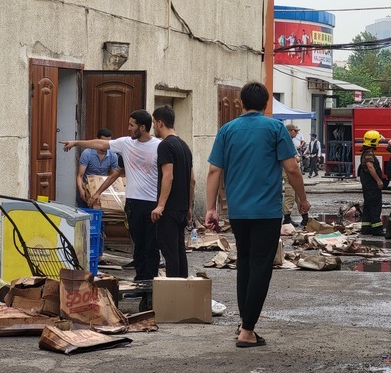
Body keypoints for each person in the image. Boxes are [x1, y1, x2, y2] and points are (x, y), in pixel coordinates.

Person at [205, 82, 310, 348]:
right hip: (266, 212)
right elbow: (292, 168)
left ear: (241, 103)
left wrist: (211, 209)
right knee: (261, 267)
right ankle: (247, 330)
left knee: (246, 264)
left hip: (239, 212)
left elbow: (214, 172)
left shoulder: (227, 130)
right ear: (266, 105)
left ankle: (245, 323)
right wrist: (302, 199)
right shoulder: (275, 128)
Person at [62, 110, 161, 282]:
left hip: (153, 202)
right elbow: (100, 144)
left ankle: (152, 282)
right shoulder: (126, 144)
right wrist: (76, 142)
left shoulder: (159, 146)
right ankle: (140, 280)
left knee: (151, 246)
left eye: (132, 125)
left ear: (143, 127)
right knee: (138, 244)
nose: (128, 128)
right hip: (134, 202)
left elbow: (168, 174)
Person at [151, 105, 195, 278]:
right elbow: (192, 180)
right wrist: (189, 207)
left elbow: (167, 176)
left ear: (160, 123)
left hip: (169, 209)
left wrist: (160, 205)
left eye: (154, 123)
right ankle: (183, 290)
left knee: (170, 253)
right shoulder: (184, 146)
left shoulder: (165, 146)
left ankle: (173, 293)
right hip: (182, 208)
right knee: (179, 250)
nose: (153, 127)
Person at [75, 128, 119, 208]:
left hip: (102, 189)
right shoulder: (87, 153)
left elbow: (113, 176)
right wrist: (81, 189)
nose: (105, 145)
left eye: (108, 142)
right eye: (103, 142)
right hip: (86, 189)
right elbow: (80, 176)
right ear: (97, 140)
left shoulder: (113, 155)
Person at [358, 130, 385, 236]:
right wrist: (378, 180)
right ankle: (377, 229)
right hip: (372, 185)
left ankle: (366, 228)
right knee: (375, 205)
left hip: (368, 185)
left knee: (368, 205)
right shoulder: (369, 153)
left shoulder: (366, 151)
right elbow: (370, 166)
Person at [283, 124, 309, 227]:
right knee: (290, 192)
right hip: (288, 171)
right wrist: (296, 159)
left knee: (298, 192)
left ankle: (304, 216)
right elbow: (291, 158)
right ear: (289, 131)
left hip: (291, 170)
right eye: (295, 131)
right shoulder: (285, 142)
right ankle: (287, 218)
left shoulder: (289, 142)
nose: (297, 132)